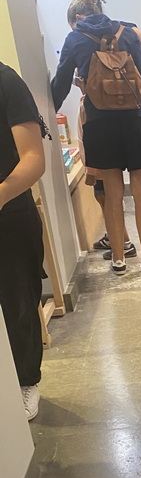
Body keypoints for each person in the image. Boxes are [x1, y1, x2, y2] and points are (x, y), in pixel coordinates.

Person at [51, 0, 141, 275]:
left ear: (78, 17)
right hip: (137, 119)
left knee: (113, 194)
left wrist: (45, 116)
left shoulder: (75, 38)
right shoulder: (126, 32)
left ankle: (118, 260)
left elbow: (62, 81)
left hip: (100, 124)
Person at [0, 62, 47, 420]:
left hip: (10, 218)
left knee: (18, 305)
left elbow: (33, 159)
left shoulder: (6, 82)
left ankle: (25, 381)